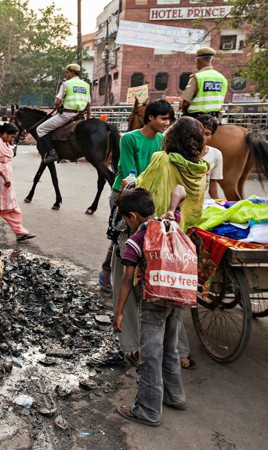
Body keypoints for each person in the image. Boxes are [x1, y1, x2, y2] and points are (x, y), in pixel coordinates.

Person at [119, 117, 210, 370]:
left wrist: (129, 184)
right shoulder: (200, 170)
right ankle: (179, 354)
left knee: (133, 285)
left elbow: (143, 189)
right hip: (180, 239)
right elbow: (195, 211)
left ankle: (137, 349)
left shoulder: (162, 159)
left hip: (154, 237)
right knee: (173, 300)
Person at [114, 187, 188, 427]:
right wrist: (172, 208)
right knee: (170, 348)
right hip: (176, 298)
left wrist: (119, 312)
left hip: (153, 302)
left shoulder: (136, 240)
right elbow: (180, 190)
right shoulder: (169, 224)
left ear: (133, 216)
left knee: (150, 355)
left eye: (126, 220)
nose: (127, 224)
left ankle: (148, 409)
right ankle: (175, 396)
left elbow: (127, 279)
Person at [102, 99, 174, 294]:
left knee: (139, 237)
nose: (166, 123)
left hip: (148, 194)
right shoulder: (129, 139)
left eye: (169, 119)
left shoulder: (162, 141)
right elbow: (129, 171)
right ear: (150, 117)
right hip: (126, 193)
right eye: (163, 118)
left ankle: (131, 276)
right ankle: (110, 273)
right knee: (121, 236)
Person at [36, 63, 91, 164]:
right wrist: (88, 119)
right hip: (80, 117)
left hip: (66, 116)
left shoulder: (66, 84)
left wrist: (57, 105)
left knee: (40, 129)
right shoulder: (86, 85)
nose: (66, 74)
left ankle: (52, 153)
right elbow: (88, 105)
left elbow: (57, 102)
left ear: (72, 73)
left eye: (67, 72)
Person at [181, 47, 228, 118]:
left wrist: (183, 112)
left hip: (196, 118)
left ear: (198, 60)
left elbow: (185, 103)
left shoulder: (197, 77)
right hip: (214, 118)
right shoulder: (222, 78)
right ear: (212, 61)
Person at [197, 114, 224, 199]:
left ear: (212, 135)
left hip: (202, 202)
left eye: (207, 134)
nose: (202, 137)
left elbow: (212, 182)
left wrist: (218, 202)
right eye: (200, 133)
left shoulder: (216, 154)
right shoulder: (182, 152)